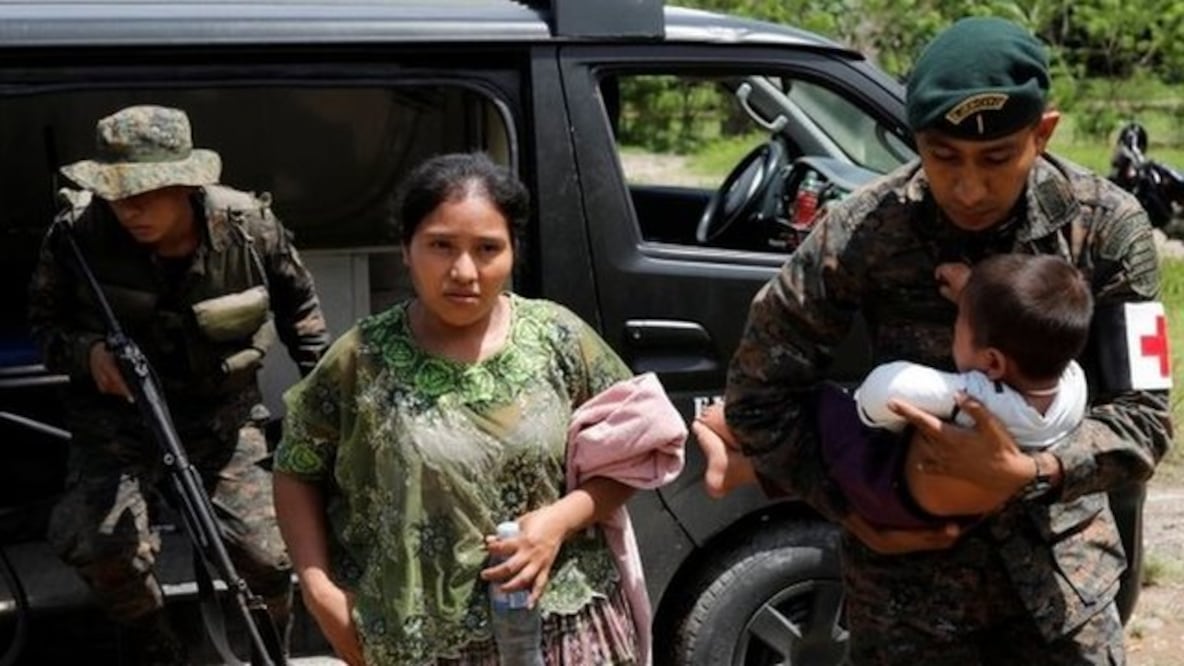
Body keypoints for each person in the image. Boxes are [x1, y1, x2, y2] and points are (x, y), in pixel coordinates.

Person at [694, 16, 1171, 665]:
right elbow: (756, 395)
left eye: (997, 158)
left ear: (1043, 133)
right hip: (906, 606)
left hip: (1060, 598)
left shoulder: (1108, 229)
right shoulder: (862, 231)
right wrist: (853, 506)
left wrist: (1032, 470)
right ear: (915, 138)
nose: (969, 187)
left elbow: (1145, 417)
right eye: (943, 157)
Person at [273, 152, 683, 666]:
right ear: (406, 248)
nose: (464, 271)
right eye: (440, 245)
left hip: (563, 629)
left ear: (513, 253)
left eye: (487, 248)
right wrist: (319, 591)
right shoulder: (362, 359)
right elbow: (296, 469)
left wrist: (560, 520)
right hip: (416, 643)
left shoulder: (558, 337)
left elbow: (638, 449)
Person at [28, 104, 330, 664]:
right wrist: (88, 354)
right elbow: (44, 329)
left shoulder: (247, 228)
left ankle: (270, 650)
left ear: (188, 184)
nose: (129, 208)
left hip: (221, 416)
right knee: (103, 546)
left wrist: (329, 413)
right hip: (117, 422)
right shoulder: (77, 236)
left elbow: (302, 314)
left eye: (146, 191)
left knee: (266, 557)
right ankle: (153, 645)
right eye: (117, 193)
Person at [836, 253, 1094, 526]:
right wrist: (978, 299)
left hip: (899, 507)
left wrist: (863, 406)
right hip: (989, 515)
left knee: (829, 409)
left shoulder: (975, 399)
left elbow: (884, 388)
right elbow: (1039, 331)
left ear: (993, 362)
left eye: (958, 322)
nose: (955, 327)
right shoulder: (1073, 386)